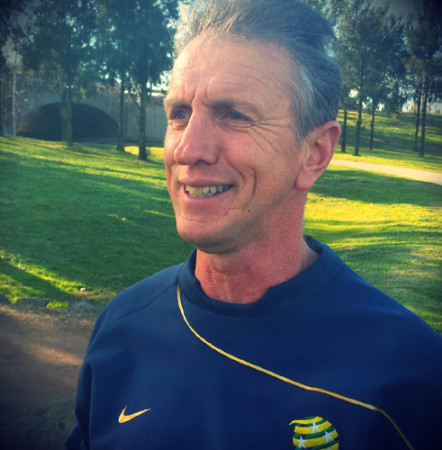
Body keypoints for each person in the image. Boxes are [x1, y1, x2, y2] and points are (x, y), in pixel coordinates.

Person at [66, 0, 442, 449]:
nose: (187, 150)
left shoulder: (410, 370)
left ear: (315, 153)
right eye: (180, 113)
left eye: (234, 114)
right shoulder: (122, 327)